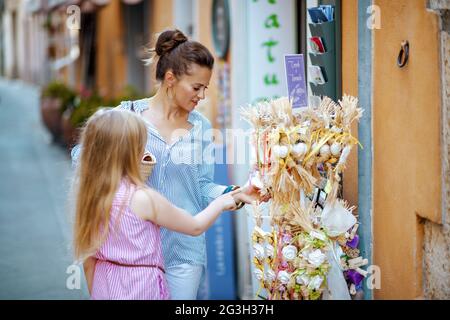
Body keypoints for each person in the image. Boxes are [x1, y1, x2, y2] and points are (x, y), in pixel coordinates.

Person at [72, 28, 264, 299]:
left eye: (205, 88)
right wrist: (123, 165)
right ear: (171, 79)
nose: (202, 96)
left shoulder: (201, 128)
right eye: (196, 87)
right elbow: (83, 156)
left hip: (183, 251)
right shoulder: (128, 117)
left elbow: (202, 186)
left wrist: (235, 194)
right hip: (130, 255)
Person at [73, 108, 254, 300]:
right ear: (130, 150)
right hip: (142, 287)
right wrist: (222, 202)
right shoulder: (143, 198)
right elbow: (194, 226)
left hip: (105, 284)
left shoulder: (91, 196)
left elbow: (88, 261)